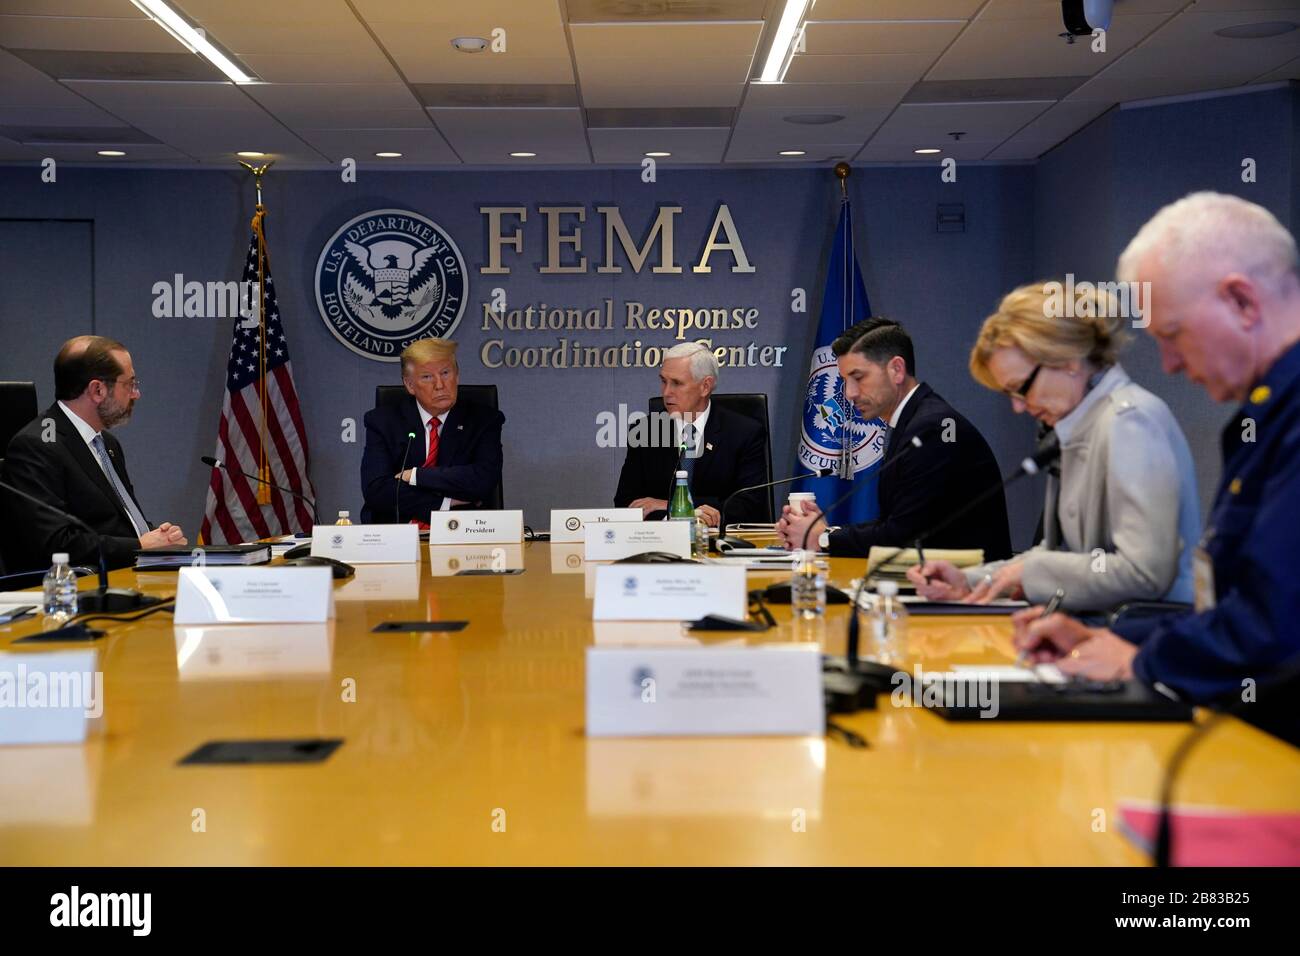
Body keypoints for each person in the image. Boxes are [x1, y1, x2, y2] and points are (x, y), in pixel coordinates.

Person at [1014, 192, 1300, 723]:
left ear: (1242, 301)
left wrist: (1144, 657)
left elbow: (1276, 622)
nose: (1168, 365)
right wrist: (1112, 636)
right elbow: (1233, 606)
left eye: (1172, 335)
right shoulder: (1265, 413)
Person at [907, 282, 1200, 613]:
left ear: (1068, 360)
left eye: (1021, 388)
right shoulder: (1079, 423)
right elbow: (1060, 553)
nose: (1019, 407)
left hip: (1142, 642)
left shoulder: (1130, 422)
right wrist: (974, 580)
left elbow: (1142, 573)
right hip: (1091, 632)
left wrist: (1029, 572)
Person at [776, 318, 1011, 558]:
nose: (849, 393)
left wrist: (823, 538)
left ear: (896, 369)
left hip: (966, 588)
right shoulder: (917, 420)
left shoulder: (931, 429)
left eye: (858, 378)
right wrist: (825, 533)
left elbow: (902, 537)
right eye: (845, 381)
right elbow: (897, 522)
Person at [3, 335, 186, 571]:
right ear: (97, 389)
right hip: (80, 588)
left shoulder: (106, 443)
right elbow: (54, 543)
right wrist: (140, 545)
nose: (135, 394)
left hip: (129, 573)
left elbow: (115, 522)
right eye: (129, 384)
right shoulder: (36, 446)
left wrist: (159, 536)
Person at [614, 341, 767, 526]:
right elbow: (626, 503)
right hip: (659, 542)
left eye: (677, 383)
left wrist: (673, 507)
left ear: (705, 386)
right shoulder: (645, 431)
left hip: (717, 544)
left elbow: (749, 506)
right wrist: (695, 511)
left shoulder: (744, 433)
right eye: (663, 381)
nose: (667, 392)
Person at [360, 339, 504, 524]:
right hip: (394, 533)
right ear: (410, 385)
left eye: (445, 373)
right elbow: (377, 490)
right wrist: (445, 502)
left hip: (462, 531)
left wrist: (416, 476)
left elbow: (483, 479)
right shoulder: (382, 421)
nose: (439, 385)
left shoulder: (483, 420)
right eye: (427, 377)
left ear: (457, 376)